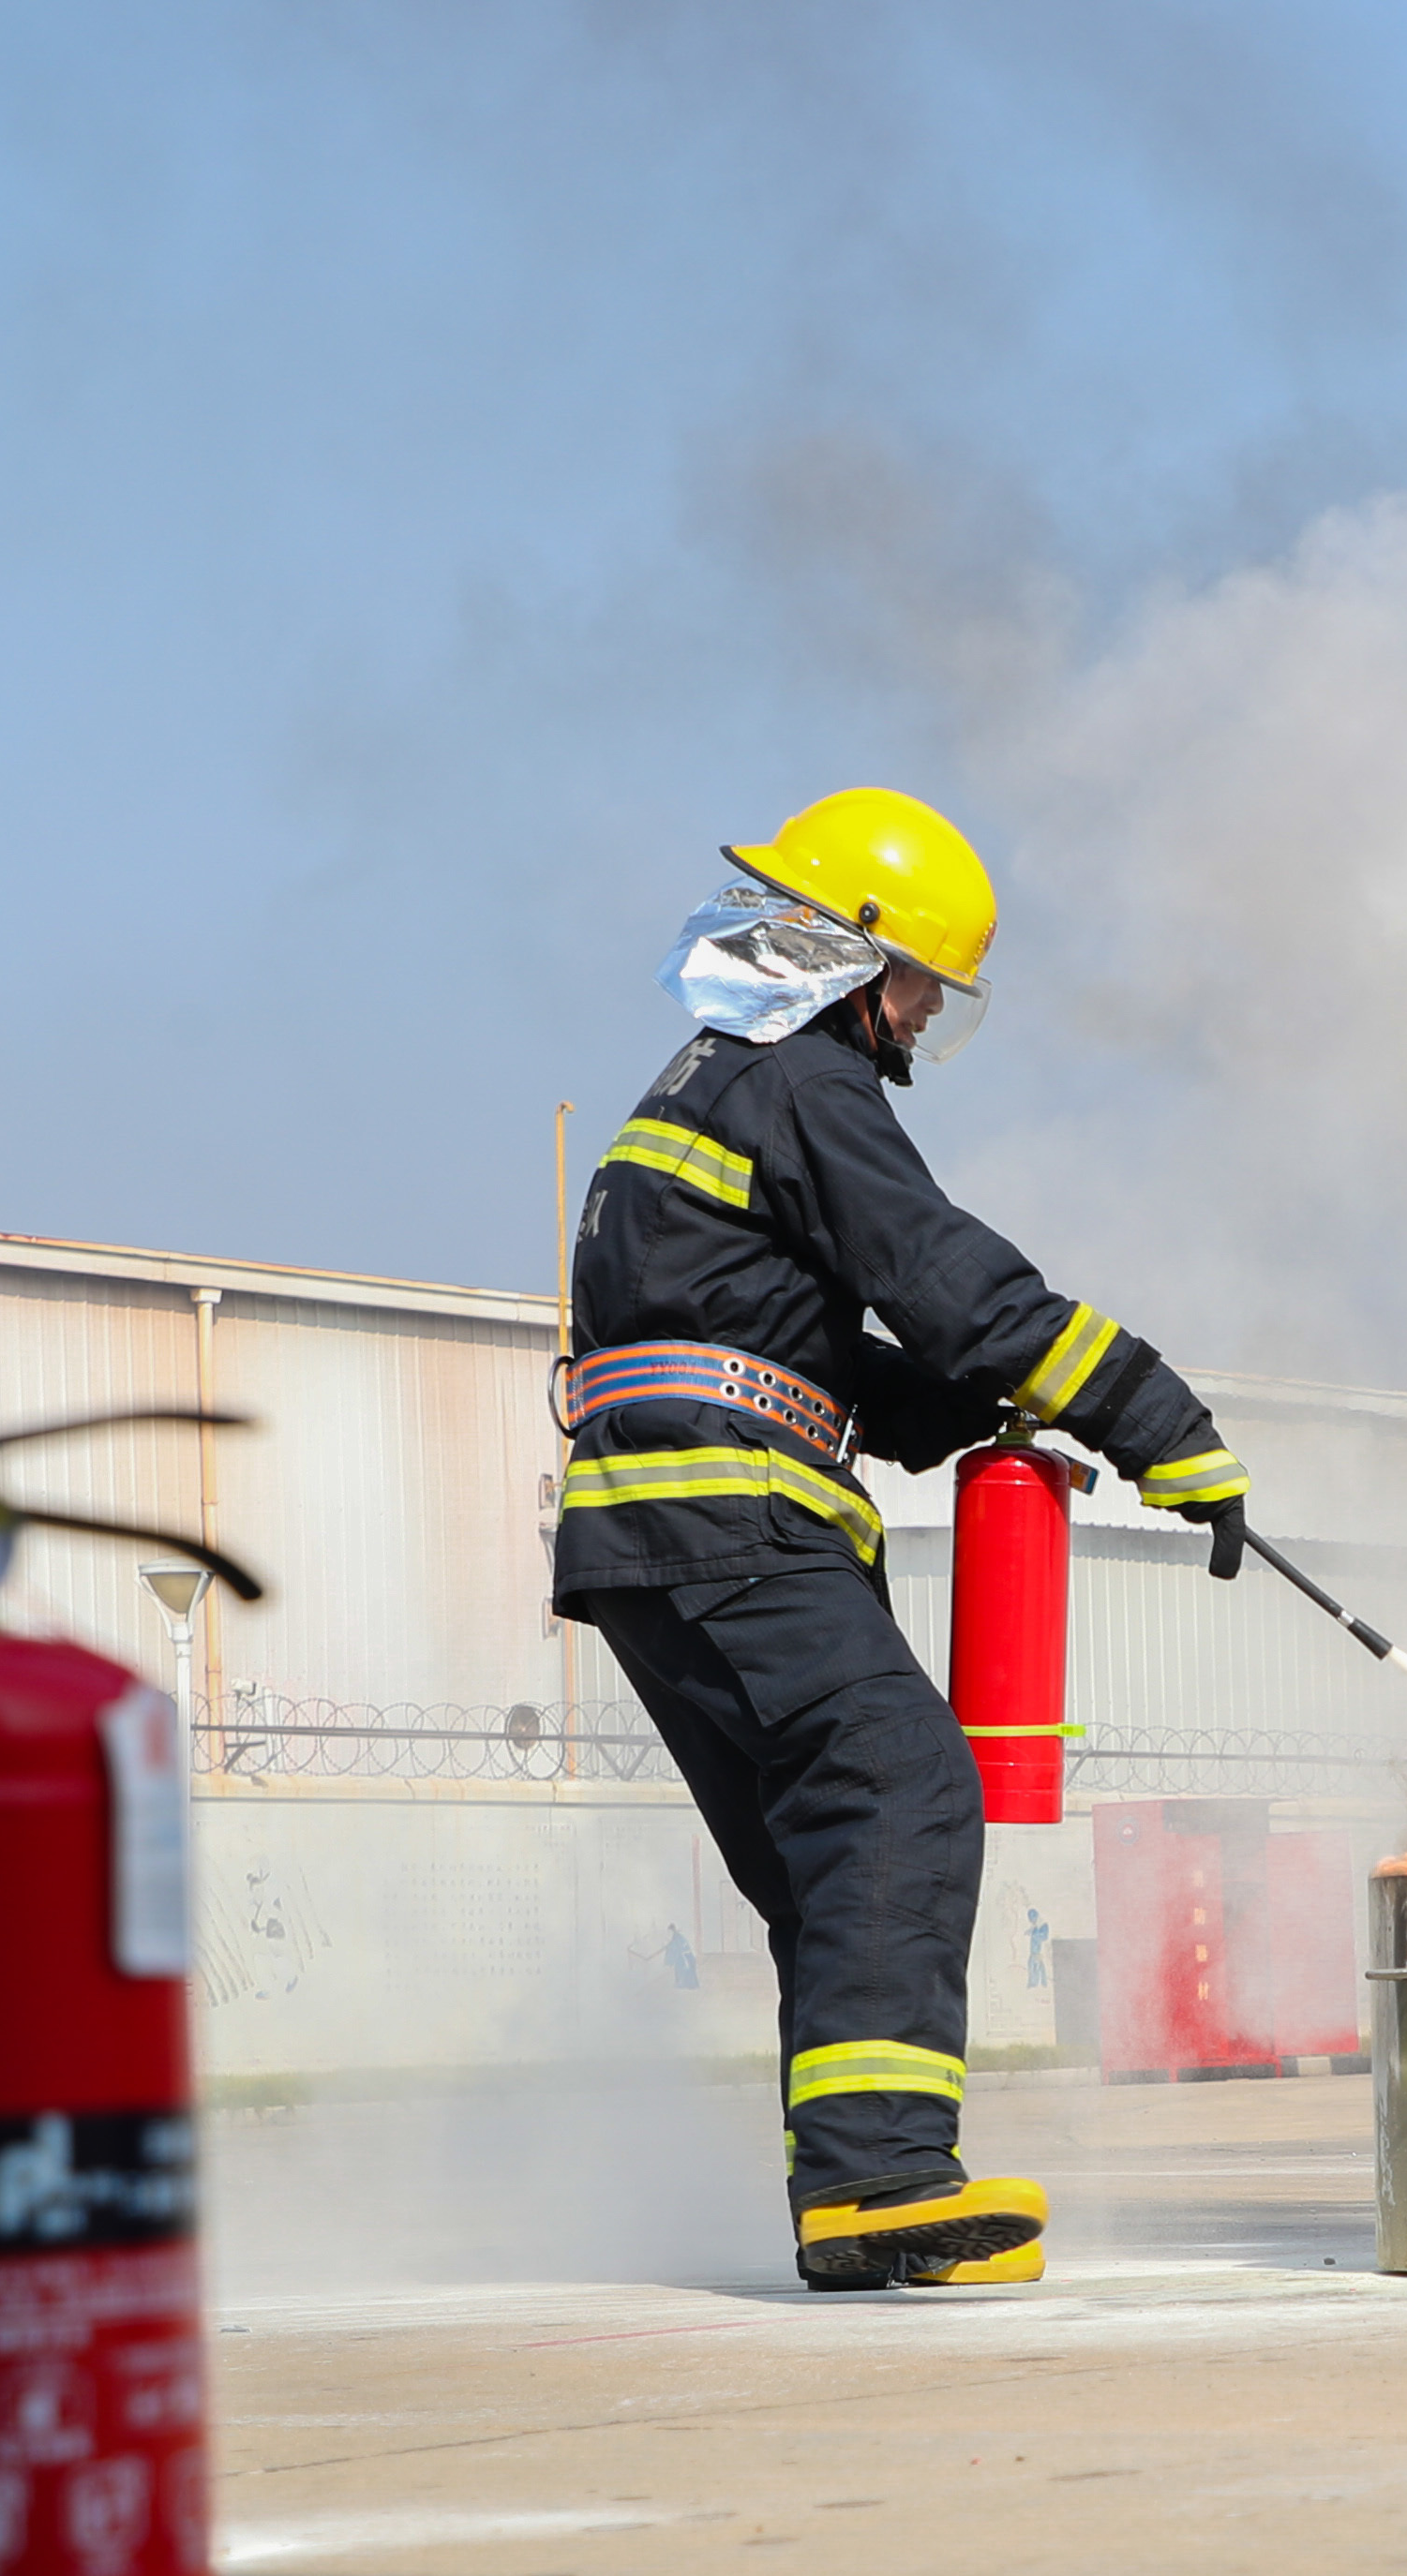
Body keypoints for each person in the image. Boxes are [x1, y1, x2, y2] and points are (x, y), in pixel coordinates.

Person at [555, 789, 1247, 2288]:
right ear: (856, 957)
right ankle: (881, 2185)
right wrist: (1156, 1418)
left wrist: (952, 1409)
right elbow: (945, 1279)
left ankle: (852, 2197)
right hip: (733, 1515)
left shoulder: (700, 1088)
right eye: (923, 983)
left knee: (830, 1867)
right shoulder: (802, 1078)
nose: (926, 1020)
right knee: (897, 1782)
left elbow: (751, 1328)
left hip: (650, 1533)